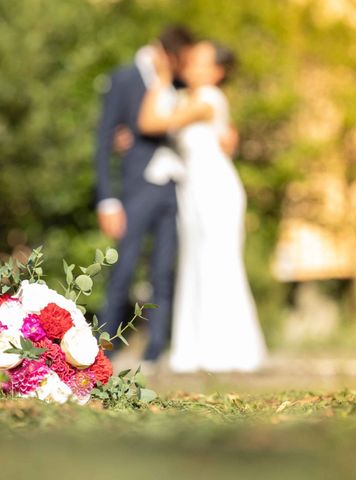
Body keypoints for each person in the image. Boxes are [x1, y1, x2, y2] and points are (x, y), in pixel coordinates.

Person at [138, 41, 266, 372]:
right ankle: (197, 348)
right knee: (196, 262)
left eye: (199, 61)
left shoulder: (209, 98)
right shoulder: (189, 99)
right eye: (190, 60)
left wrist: (161, 77)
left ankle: (225, 350)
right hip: (194, 191)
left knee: (217, 262)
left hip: (216, 189)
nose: (190, 66)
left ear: (217, 72)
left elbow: (152, 123)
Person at [94, 26, 194, 363]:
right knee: (123, 268)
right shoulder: (124, 78)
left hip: (174, 187)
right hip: (136, 188)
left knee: (164, 271)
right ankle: (104, 350)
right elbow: (103, 139)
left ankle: (156, 350)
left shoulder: (181, 84)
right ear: (165, 53)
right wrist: (107, 199)